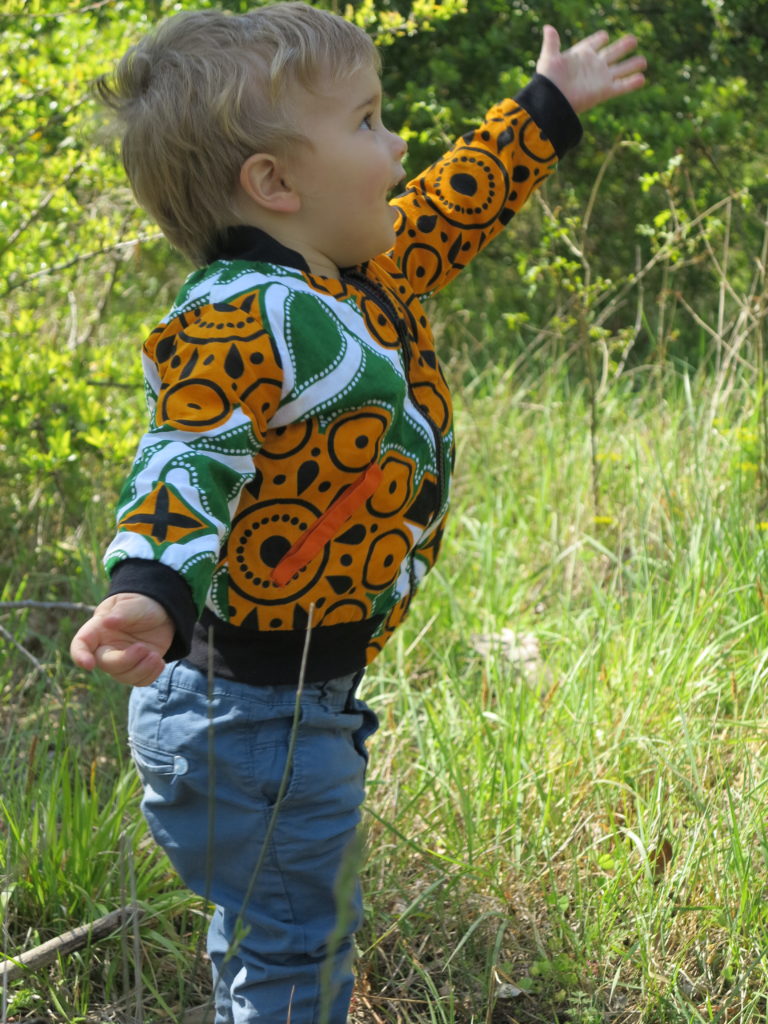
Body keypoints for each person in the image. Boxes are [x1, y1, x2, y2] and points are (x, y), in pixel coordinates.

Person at [70, 4, 646, 1021]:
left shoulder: (353, 277)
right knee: (296, 956)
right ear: (276, 184)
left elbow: (445, 210)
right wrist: (151, 587)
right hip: (250, 716)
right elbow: (186, 451)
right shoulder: (241, 312)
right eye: (371, 120)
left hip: (282, 709)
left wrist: (546, 108)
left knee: (267, 932)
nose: (399, 143)